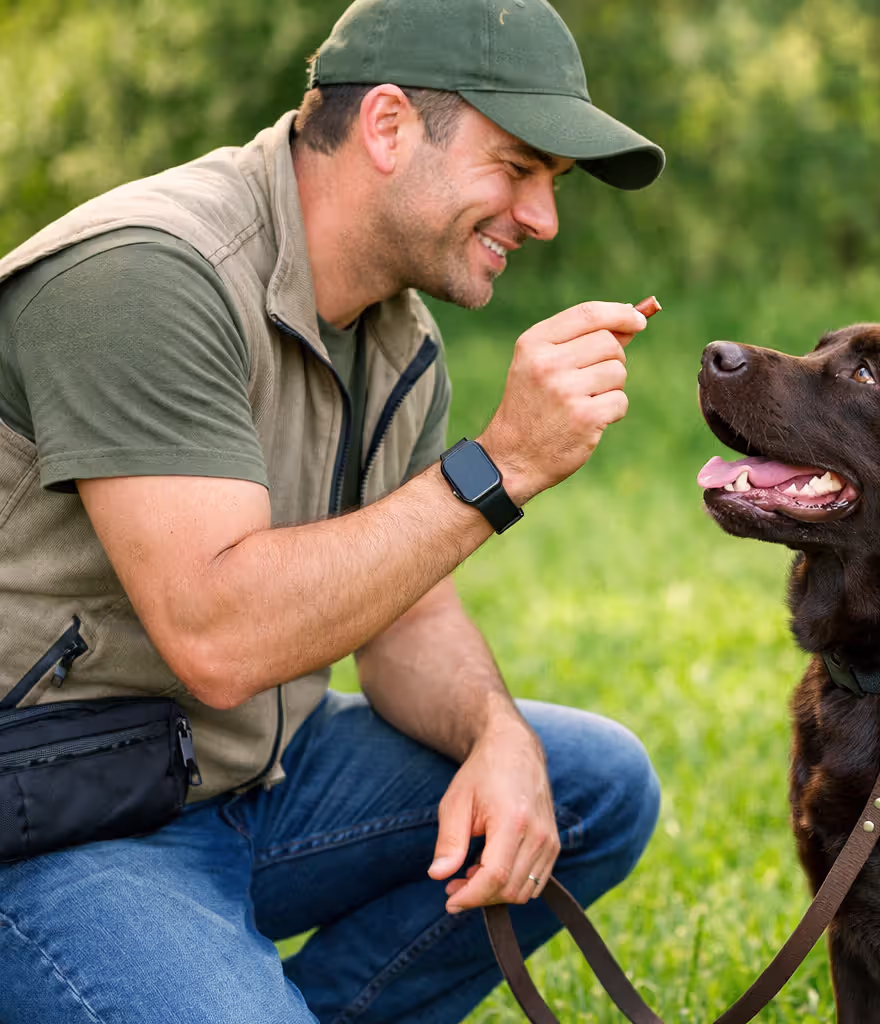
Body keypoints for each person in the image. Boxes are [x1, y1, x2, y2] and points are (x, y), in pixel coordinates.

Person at [0, 0, 665, 1020]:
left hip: (248, 779)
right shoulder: (147, 275)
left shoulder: (397, 337)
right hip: (56, 814)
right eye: (518, 168)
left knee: (587, 785)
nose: (543, 218)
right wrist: (502, 465)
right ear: (389, 126)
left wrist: (497, 733)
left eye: (554, 185)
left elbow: (403, 610)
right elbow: (216, 637)